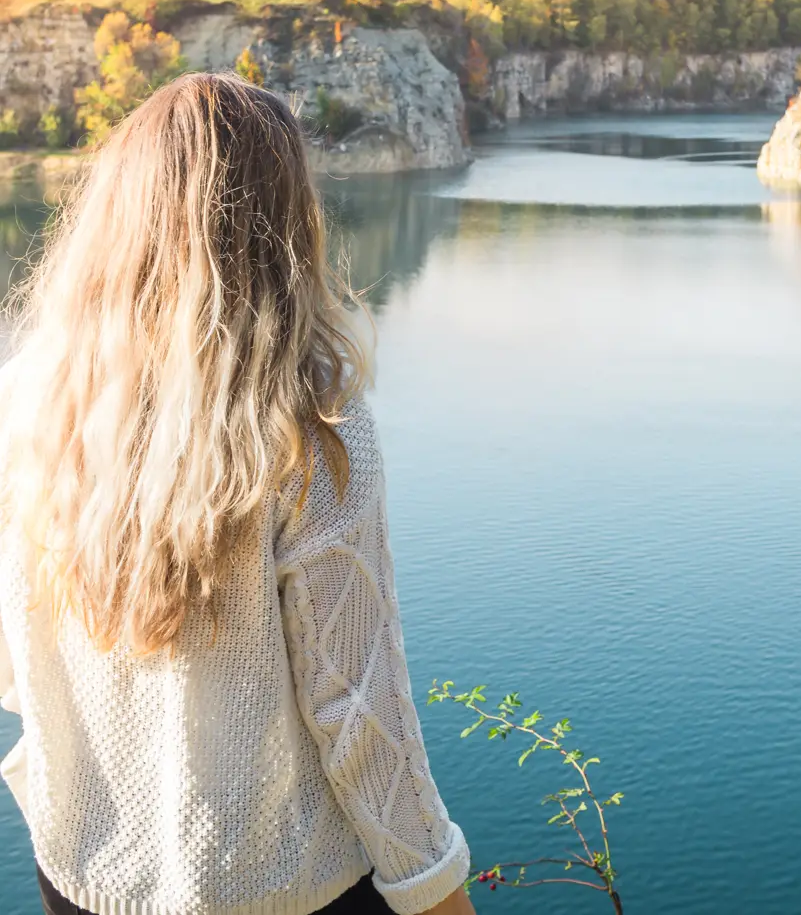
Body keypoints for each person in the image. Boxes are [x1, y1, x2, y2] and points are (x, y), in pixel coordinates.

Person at [0, 74, 476, 915]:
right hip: (282, 892)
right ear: (285, 222)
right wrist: (438, 892)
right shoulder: (315, 425)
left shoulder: (29, 394)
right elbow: (358, 708)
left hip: (81, 877)